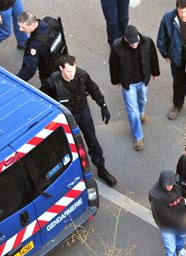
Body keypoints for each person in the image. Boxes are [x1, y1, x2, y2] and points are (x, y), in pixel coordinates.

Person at [40, 55, 117, 187]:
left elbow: (93, 89)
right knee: (66, 146)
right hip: (65, 117)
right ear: (61, 69)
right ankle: (73, 172)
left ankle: (101, 168)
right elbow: (44, 101)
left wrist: (103, 105)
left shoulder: (81, 75)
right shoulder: (52, 83)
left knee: (92, 140)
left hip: (82, 111)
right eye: (69, 71)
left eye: (73, 70)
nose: (72, 74)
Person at [109, 25, 160, 151]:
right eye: (132, 42)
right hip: (128, 83)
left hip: (143, 79)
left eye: (136, 41)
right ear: (125, 39)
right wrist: (115, 80)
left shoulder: (147, 41)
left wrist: (155, 72)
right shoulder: (116, 46)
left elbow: (153, 57)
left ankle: (142, 113)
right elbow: (113, 64)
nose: (135, 44)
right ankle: (138, 136)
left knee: (142, 100)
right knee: (132, 111)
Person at [148, 170, 186, 256]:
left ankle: (180, 248)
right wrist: (184, 207)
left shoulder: (176, 185)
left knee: (182, 236)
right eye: (166, 185)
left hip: (180, 220)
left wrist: (185, 204)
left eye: (171, 184)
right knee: (170, 252)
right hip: (167, 226)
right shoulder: (155, 195)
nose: (169, 187)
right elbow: (164, 215)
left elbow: (183, 196)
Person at [16, 11, 65, 84]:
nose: (20, 29)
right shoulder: (49, 20)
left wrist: (15, 80)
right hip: (62, 55)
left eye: (23, 27)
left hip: (49, 67)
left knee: (50, 86)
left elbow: (29, 71)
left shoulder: (36, 45)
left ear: (32, 25)